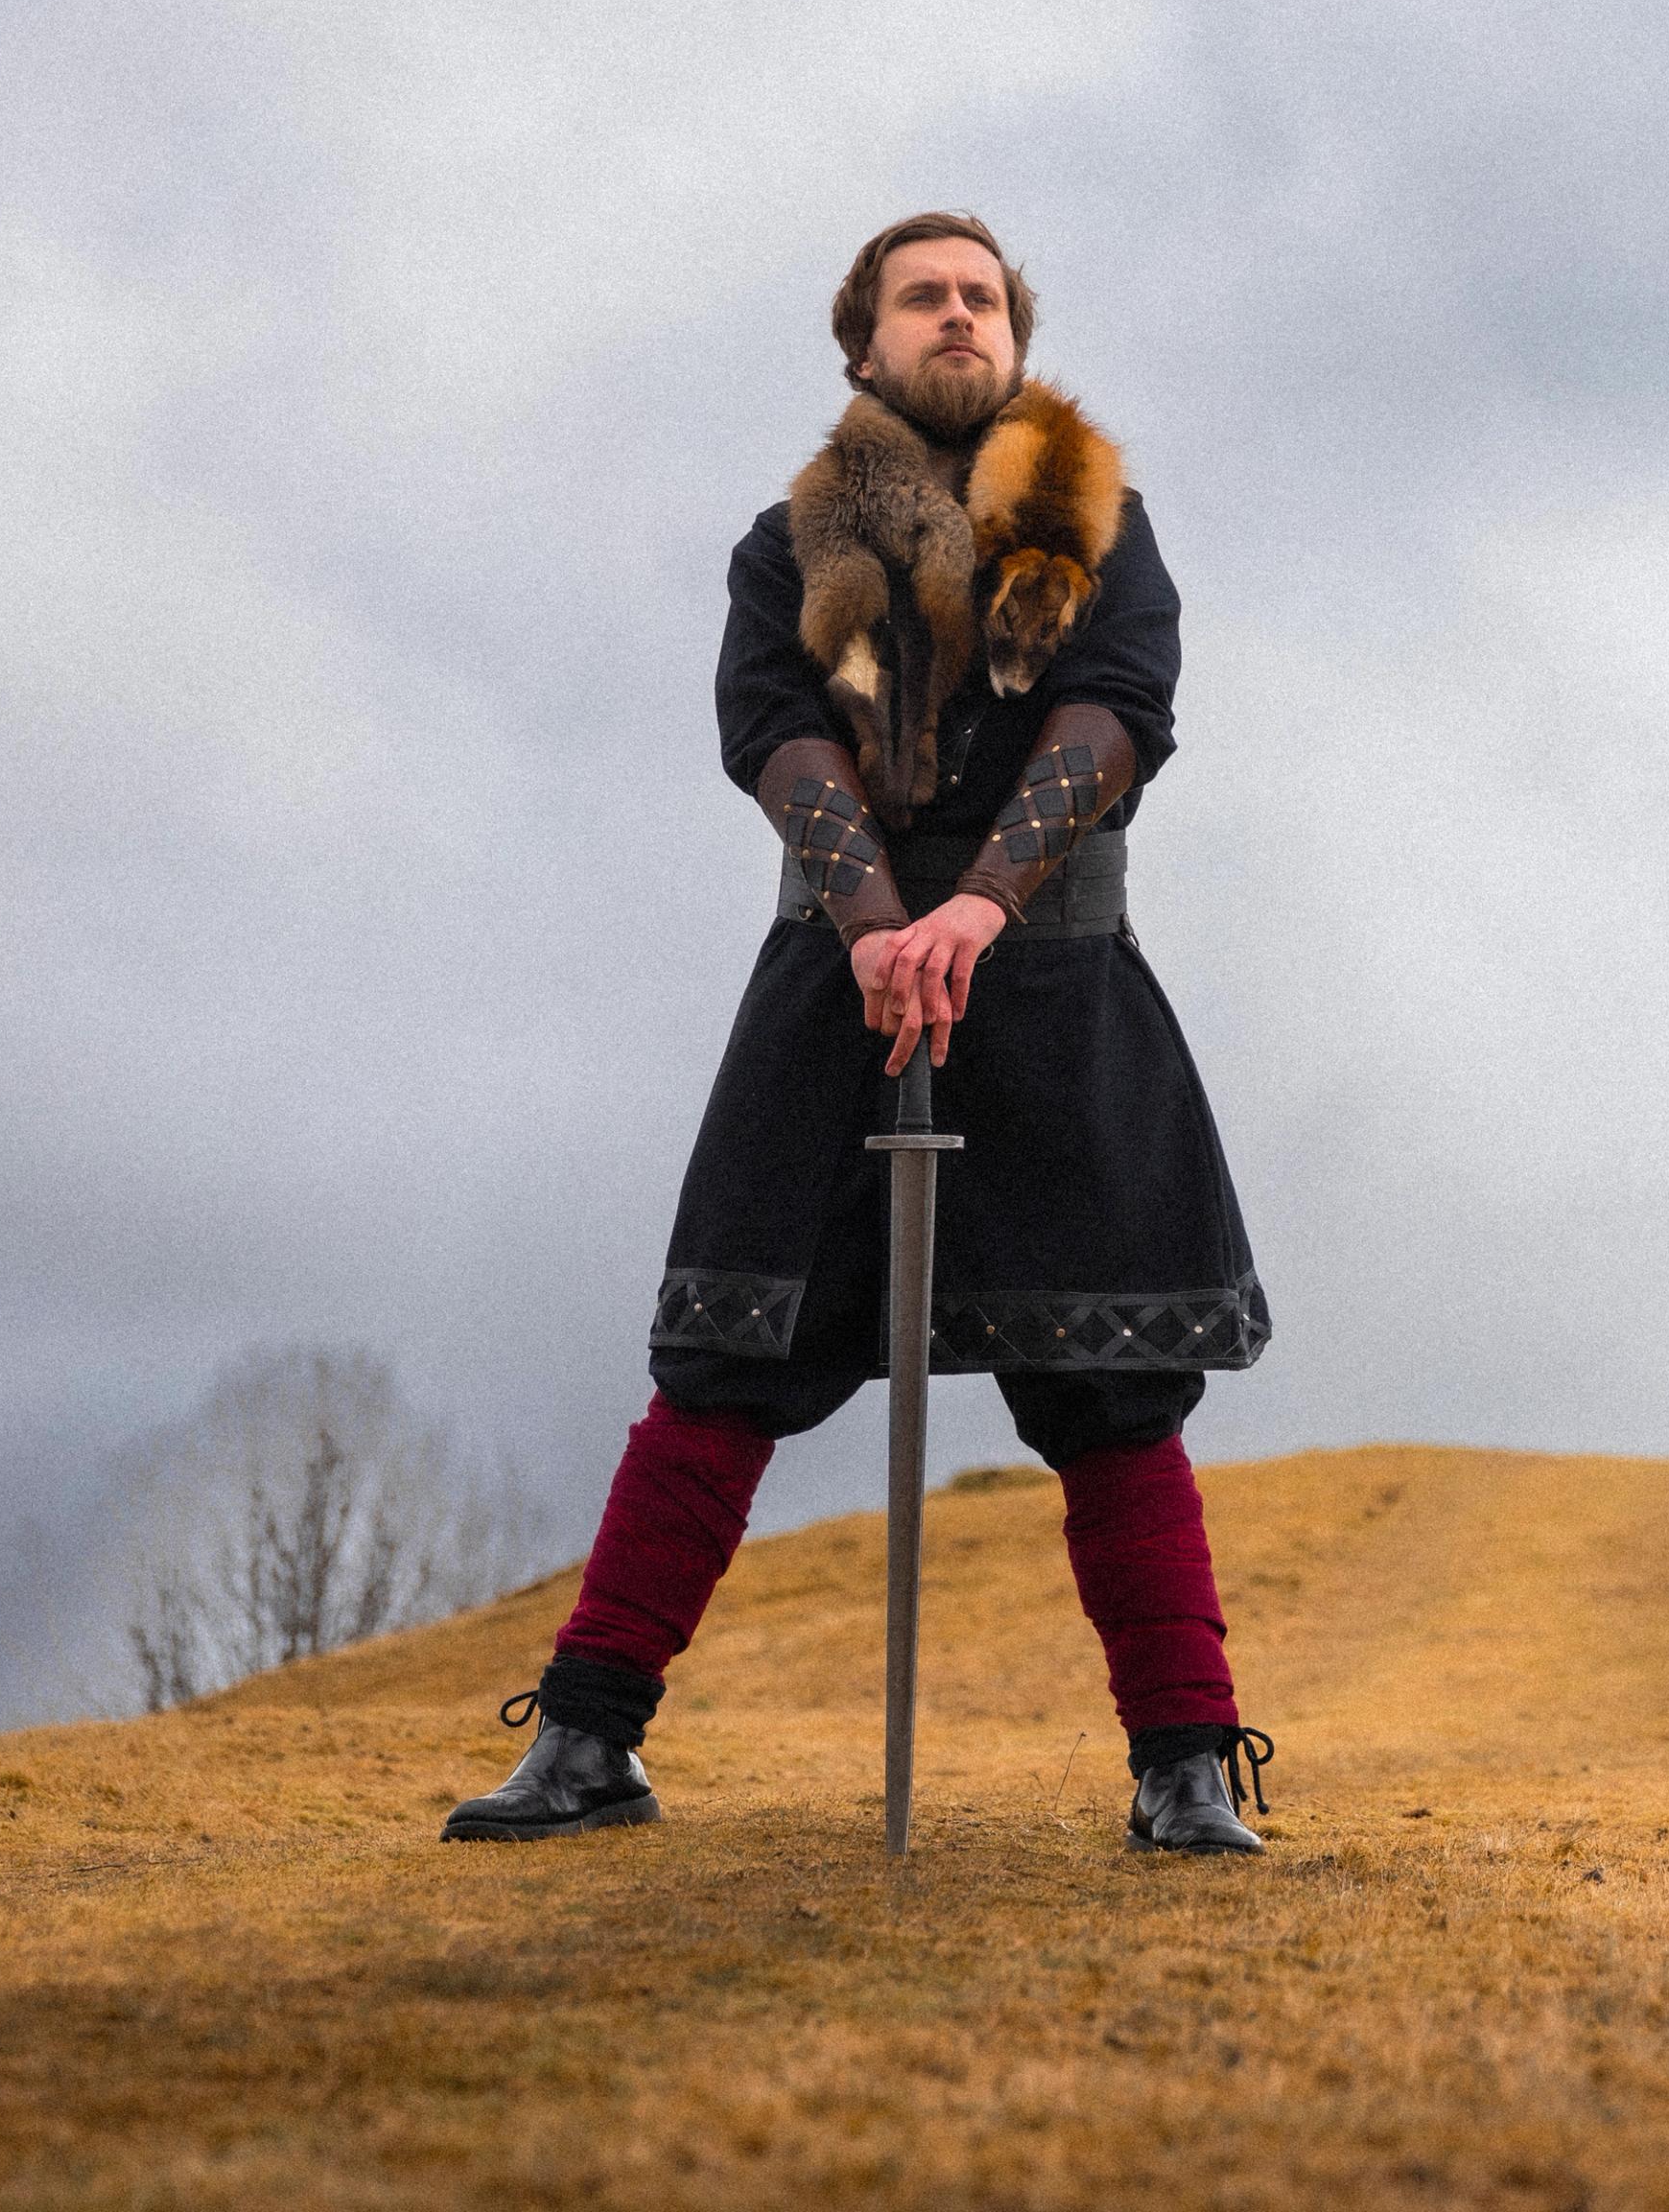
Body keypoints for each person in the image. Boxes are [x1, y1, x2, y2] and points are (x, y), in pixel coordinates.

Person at [447, 212, 1274, 1851]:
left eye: (982, 296)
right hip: (839, 993)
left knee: (1116, 1393)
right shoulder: (786, 549)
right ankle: (592, 1741)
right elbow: (769, 729)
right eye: (924, 297)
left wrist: (977, 909)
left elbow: (1120, 720)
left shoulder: (1110, 538)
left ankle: (1184, 1769)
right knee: (720, 1365)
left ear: (1015, 339)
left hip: (1058, 995)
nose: (957, 315)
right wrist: (881, 921)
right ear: (865, 346)